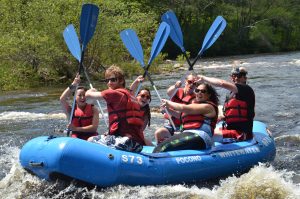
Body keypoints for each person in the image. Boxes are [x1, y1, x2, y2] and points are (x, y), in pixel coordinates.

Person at [86, 65, 146, 152]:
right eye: (107, 80)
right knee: (106, 136)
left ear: (121, 81)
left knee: (90, 140)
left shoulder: (114, 94)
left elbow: (88, 97)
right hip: (137, 145)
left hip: (126, 142)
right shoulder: (130, 95)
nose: (109, 83)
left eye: (113, 80)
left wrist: (90, 91)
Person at [153, 83, 219, 152]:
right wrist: (168, 110)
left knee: (164, 147)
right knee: (161, 145)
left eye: (203, 91)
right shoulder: (194, 106)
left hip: (202, 137)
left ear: (209, 95)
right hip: (187, 133)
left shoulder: (208, 107)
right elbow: (180, 116)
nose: (199, 93)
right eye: (197, 90)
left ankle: (155, 159)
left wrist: (169, 103)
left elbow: (183, 108)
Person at [196, 66, 255, 142]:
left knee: (205, 135)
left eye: (239, 76)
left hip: (241, 133)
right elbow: (229, 113)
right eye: (233, 76)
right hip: (229, 129)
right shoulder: (231, 94)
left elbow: (222, 83)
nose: (236, 78)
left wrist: (204, 78)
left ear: (245, 78)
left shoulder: (246, 89)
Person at [154, 74, 196, 143]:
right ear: (186, 81)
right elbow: (169, 92)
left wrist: (167, 110)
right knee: (159, 133)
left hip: (184, 127)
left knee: (177, 137)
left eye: (194, 83)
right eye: (190, 82)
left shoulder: (194, 100)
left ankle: (175, 143)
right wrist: (175, 86)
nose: (191, 85)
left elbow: (181, 117)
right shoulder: (177, 91)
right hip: (171, 124)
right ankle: (164, 148)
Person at [60, 73, 99, 140]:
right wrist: (73, 84)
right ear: (75, 97)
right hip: (77, 139)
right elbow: (62, 99)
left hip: (91, 138)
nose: (82, 97)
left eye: (84, 95)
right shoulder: (71, 111)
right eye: (79, 95)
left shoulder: (94, 109)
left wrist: (76, 129)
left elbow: (94, 128)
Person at [129, 75, 153, 146]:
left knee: (150, 145)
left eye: (147, 97)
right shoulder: (131, 104)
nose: (145, 98)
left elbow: (141, 130)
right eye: (142, 96)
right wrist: (136, 81)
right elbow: (131, 91)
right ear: (136, 96)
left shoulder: (146, 113)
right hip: (125, 133)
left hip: (136, 135)